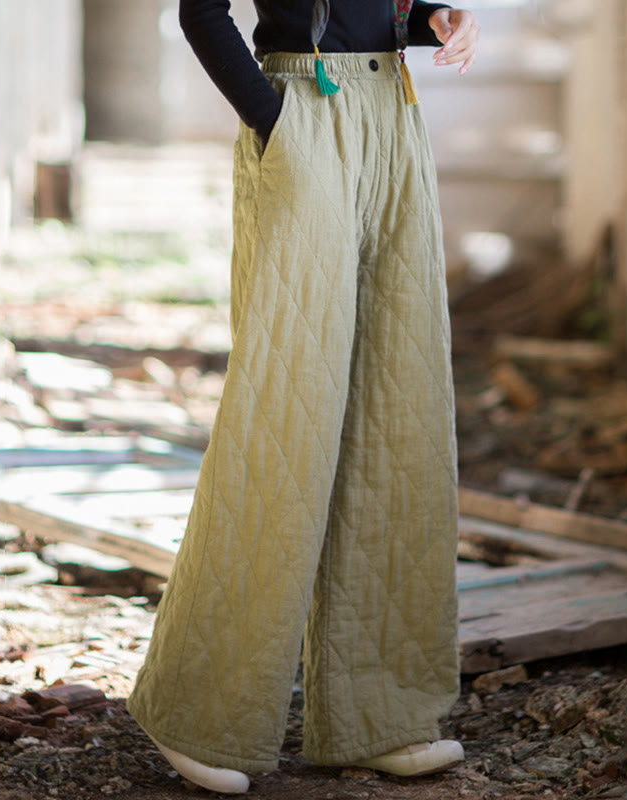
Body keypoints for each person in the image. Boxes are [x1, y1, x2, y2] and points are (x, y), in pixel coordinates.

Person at [126, 1, 479, 794]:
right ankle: (200, 713)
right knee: (281, 410)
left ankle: (381, 714)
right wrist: (273, 119)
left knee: (402, 406)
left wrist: (443, 21)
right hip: (303, 114)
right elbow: (202, 11)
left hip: (396, 114)